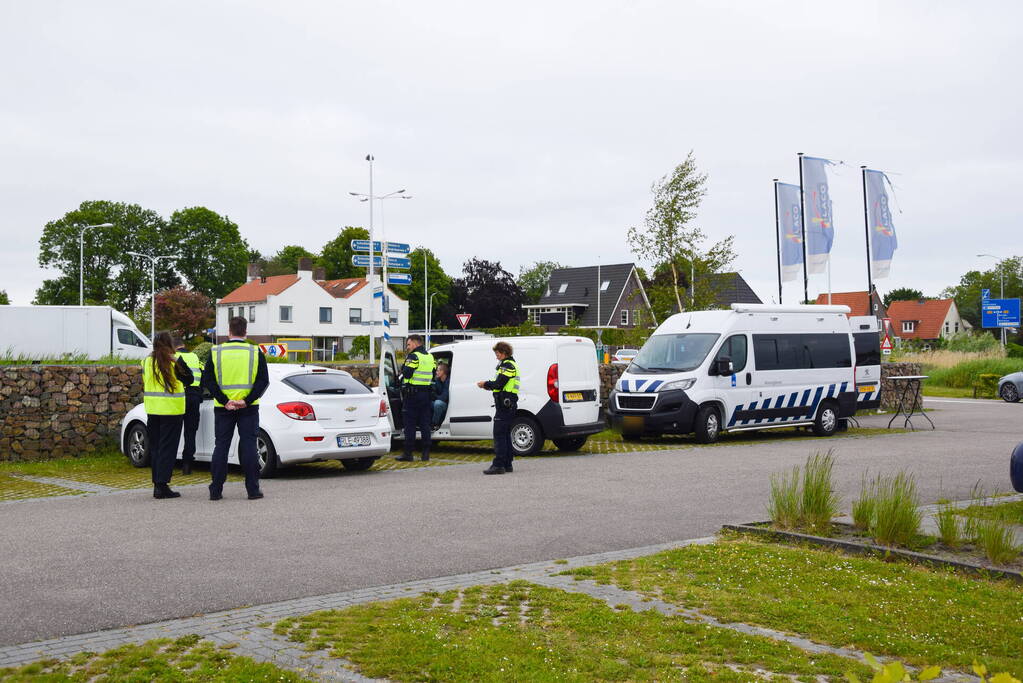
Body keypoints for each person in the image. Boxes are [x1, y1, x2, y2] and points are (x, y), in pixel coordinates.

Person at [201, 316, 269, 500]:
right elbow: (263, 381)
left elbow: (207, 380)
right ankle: (253, 490)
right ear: (245, 331)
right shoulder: (255, 352)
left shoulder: (216, 351)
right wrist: (246, 400)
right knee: (249, 447)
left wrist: (224, 400)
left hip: (223, 408)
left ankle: (216, 490)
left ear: (229, 331)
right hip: (248, 408)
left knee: (221, 446)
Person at [142, 331, 194, 499]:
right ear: (169, 344)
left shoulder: (147, 361)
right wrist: (178, 361)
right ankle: (162, 485)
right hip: (172, 411)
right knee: (168, 449)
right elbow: (190, 379)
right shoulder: (174, 361)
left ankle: (157, 484)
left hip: (152, 410)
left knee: (156, 448)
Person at [477, 341, 520, 475]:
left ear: (504, 353)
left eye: (498, 353)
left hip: (505, 405)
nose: (496, 356)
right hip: (506, 403)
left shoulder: (508, 365)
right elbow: (498, 384)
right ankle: (507, 463)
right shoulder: (507, 365)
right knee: (505, 434)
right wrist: (489, 386)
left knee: (499, 434)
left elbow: (499, 383)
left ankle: (498, 465)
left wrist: (485, 384)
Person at [396, 334, 435, 462]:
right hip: (426, 395)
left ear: (415, 343)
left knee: (410, 425)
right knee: (425, 425)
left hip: (412, 396)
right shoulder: (430, 357)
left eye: (408, 344)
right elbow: (433, 374)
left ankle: (408, 453)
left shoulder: (413, 356)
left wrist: (402, 370)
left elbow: (406, 374)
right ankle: (425, 454)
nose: (407, 347)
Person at [173, 337, 204, 475]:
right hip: (194, 397)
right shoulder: (194, 356)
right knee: (190, 432)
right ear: (183, 345)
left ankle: (169, 464)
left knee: (173, 432)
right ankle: (187, 465)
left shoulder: (173, 357)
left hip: (178, 397)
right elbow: (203, 373)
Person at [432, 362, 450, 429]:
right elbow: (433, 393)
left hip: (446, 405)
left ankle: (434, 424)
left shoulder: (448, 381)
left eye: (438, 370)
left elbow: (444, 398)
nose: (436, 372)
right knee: (425, 402)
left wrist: (434, 396)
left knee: (438, 403)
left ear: (442, 372)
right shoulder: (437, 380)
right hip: (439, 401)